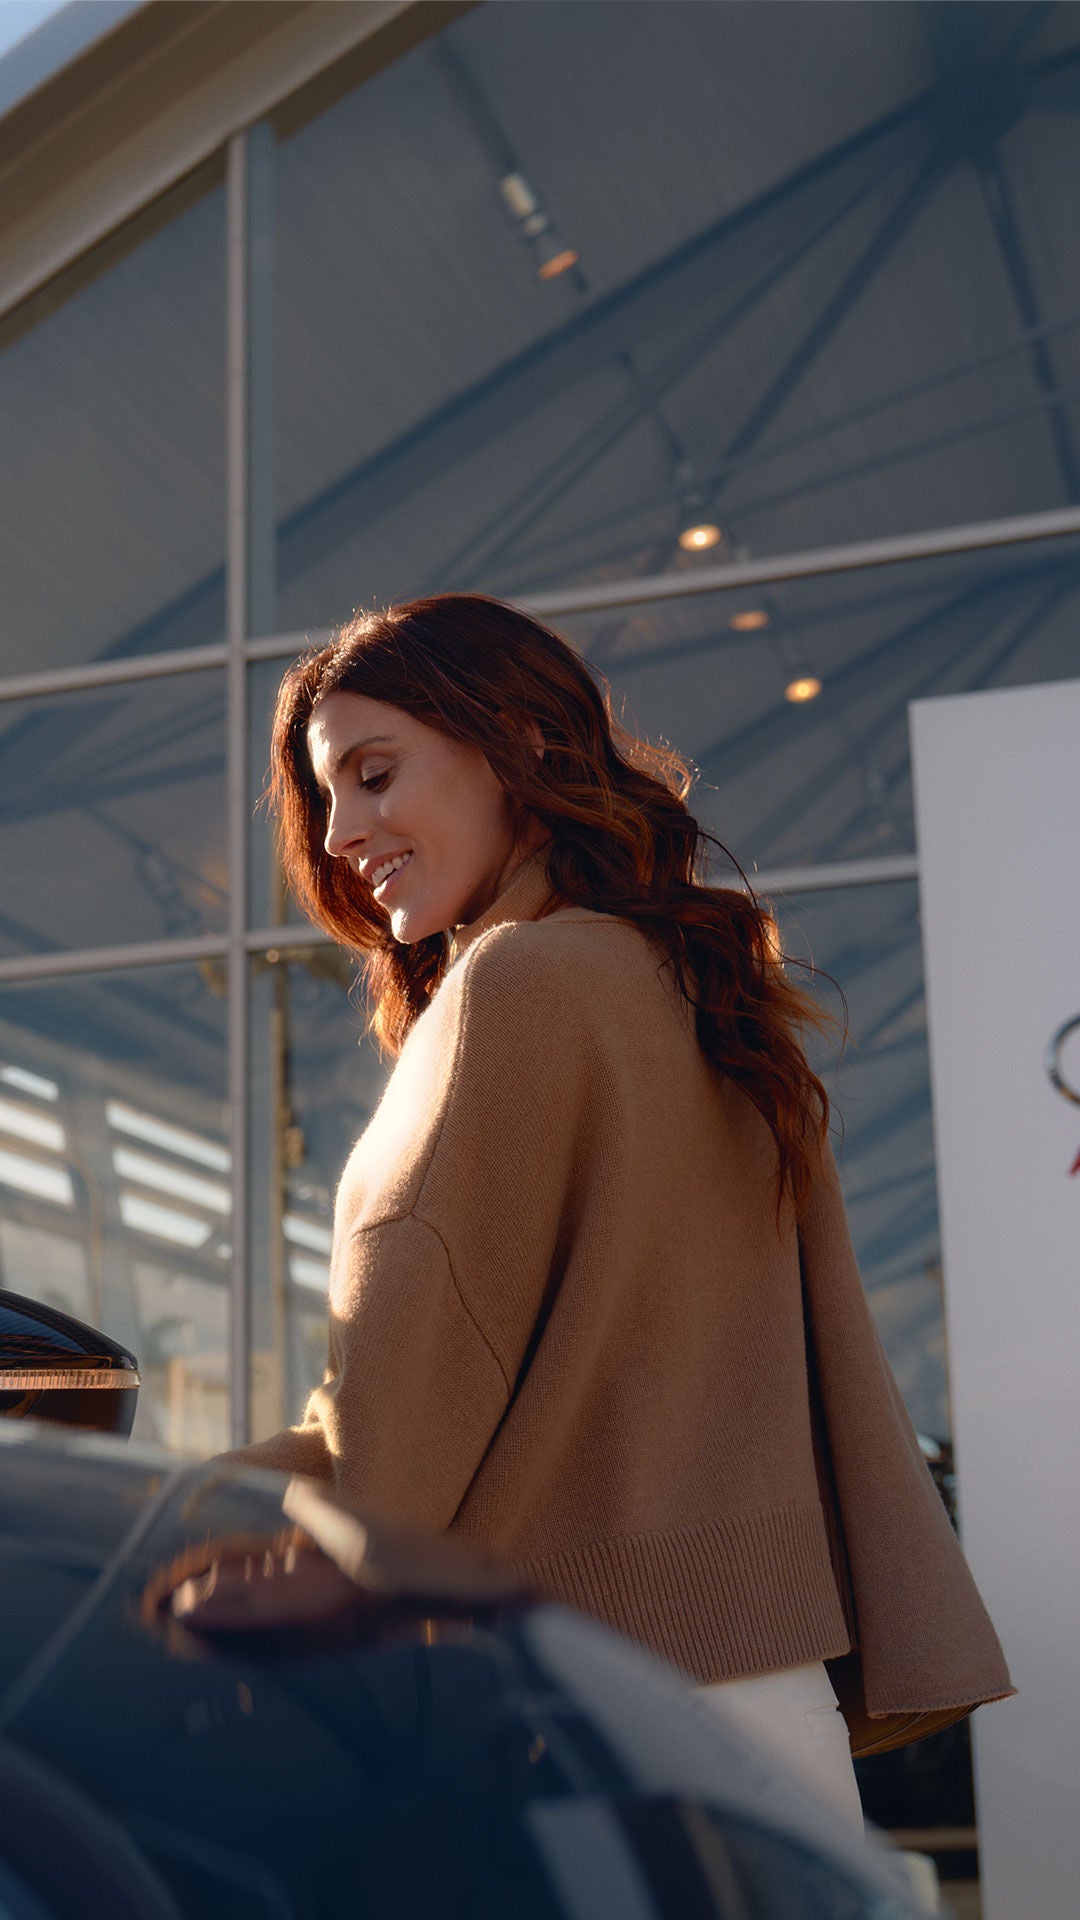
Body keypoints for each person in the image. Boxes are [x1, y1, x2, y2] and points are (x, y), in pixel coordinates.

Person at [223, 591, 1012, 1828]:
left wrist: (139, 1524)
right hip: (771, 1704)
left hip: (582, 1723)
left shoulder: (514, 989)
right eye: (328, 797)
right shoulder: (698, 993)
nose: (341, 832)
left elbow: (401, 1428)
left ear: (522, 744)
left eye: (375, 775)